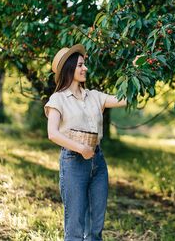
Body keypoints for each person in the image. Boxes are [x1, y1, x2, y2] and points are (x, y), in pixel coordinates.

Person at [44, 43, 127, 240]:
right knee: (74, 228)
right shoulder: (58, 99)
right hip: (73, 163)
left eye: (84, 64)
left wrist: (137, 71)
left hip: (98, 162)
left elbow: (125, 99)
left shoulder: (95, 96)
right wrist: (81, 148)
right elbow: (53, 134)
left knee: (95, 230)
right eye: (80, 65)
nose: (85, 69)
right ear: (69, 68)